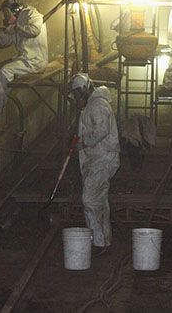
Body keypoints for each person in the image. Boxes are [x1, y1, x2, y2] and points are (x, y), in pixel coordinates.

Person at [71, 72, 120, 255]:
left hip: (102, 159)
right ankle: (104, 240)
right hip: (97, 158)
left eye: (76, 94)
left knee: (89, 199)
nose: (75, 98)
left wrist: (84, 142)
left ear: (84, 90)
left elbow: (102, 129)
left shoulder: (98, 104)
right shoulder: (91, 105)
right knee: (100, 201)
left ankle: (97, 244)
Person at [0, 0, 48, 118]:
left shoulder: (32, 14)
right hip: (24, 59)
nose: (5, 17)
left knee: (5, 72)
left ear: (13, 9)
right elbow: (4, 42)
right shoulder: (16, 23)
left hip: (36, 60)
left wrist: (16, 27)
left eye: (5, 13)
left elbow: (34, 31)